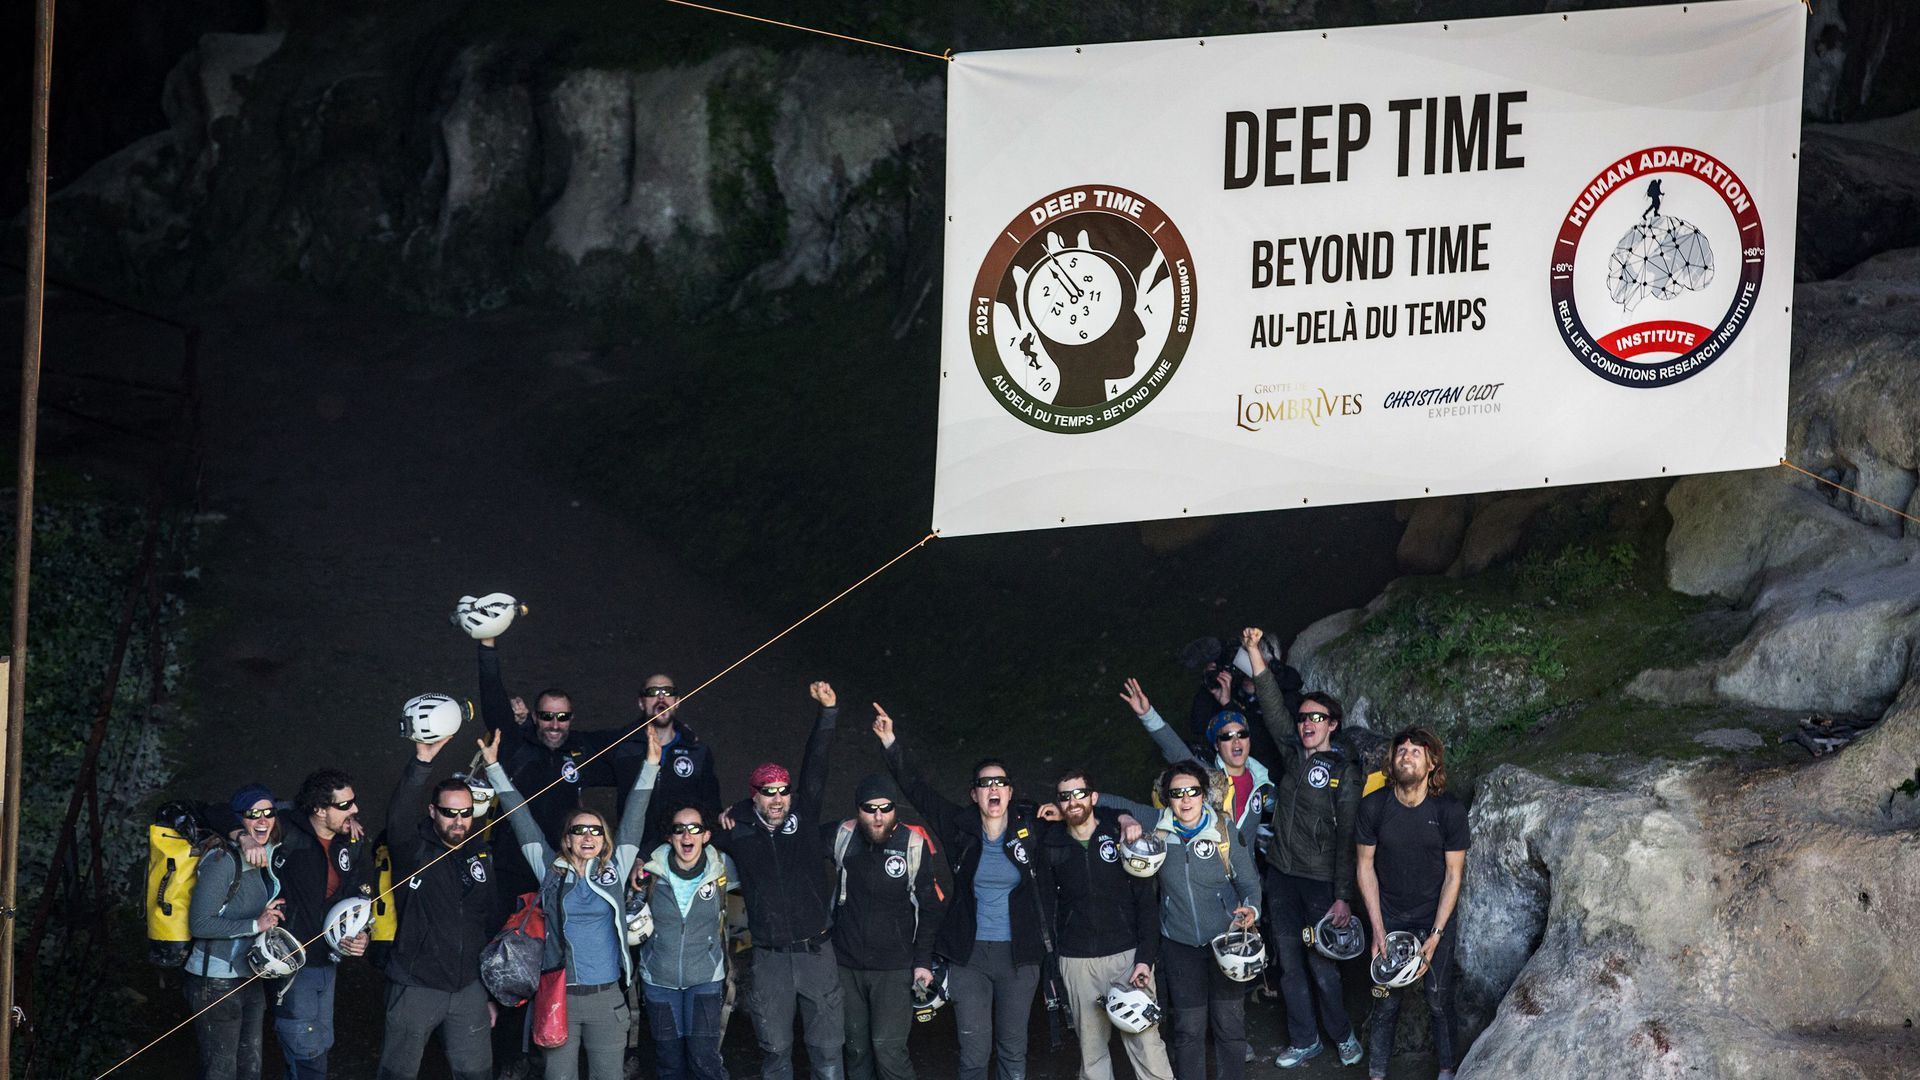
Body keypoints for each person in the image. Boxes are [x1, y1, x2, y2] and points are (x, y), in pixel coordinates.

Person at [875, 705, 1054, 1080]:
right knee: (974, 1052)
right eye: (985, 783)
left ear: (1010, 792)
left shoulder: (1032, 829)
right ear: (974, 794)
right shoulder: (959, 827)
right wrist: (891, 742)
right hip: (969, 956)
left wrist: (1122, 817)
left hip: (1019, 957)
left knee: (1013, 1050)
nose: (993, 789)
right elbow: (918, 791)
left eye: (1000, 783)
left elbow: (1081, 820)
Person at [480, 722, 658, 1080]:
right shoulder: (550, 870)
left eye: (596, 830)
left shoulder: (615, 870)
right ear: (568, 839)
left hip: (607, 997)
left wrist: (651, 763)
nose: (589, 836)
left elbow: (635, 818)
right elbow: (521, 818)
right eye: (580, 830)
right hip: (560, 994)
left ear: (604, 838)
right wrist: (494, 769)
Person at [1241, 628, 1365, 1068]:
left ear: (1332, 724)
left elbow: (1350, 838)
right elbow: (1273, 708)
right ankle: (1304, 1039)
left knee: (1322, 966)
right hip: (1281, 877)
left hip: (1318, 884)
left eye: (1316, 718)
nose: (1306, 723)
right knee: (1290, 965)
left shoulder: (1344, 773)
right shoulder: (1293, 755)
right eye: (1304, 718)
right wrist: (1255, 653)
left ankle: (1344, 1035)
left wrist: (1342, 897)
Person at [714, 681, 843, 1080]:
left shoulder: (803, 817)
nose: (777, 799)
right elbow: (691, 836)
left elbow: (816, 764)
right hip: (768, 958)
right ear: (754, 796)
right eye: (768, 792)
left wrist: (828, 714)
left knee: (826, 1057)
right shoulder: (738, 830)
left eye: (783, 791)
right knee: (775, 1055)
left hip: (817, 952)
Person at [1105, 763, 1260, 1080]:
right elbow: (1100, 800)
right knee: (1188, 1030)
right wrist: (1124, 818)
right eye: (1177, 793)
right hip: (1179, 945)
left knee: (1229, 1025)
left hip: (1225, 942)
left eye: (1193, 791)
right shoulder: (1156, 824)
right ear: (1167, 799)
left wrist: (1252, 910)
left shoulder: (1224, 831)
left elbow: (1249, 884)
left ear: (1204, 795)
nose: (1186, 799)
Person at [377, 734, 501, 1080]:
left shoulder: (480, 853)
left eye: (465, 813)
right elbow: (399, 814)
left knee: (477, 1074)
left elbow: (487, 921)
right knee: (397, 1073)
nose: (458, 821)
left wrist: (488, 992)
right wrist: (421, 762)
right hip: (417, 984)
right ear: (433, 811)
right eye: (449, 813)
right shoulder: (412, 848)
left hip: (469, 988)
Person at [1040, 769, 1173, 1080]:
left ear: (1093, 797)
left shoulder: (1120, 837)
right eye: (1065, 796)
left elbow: (1146, 906)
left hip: (1127, 958)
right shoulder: (1051, 844)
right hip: (1077, 961)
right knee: (1092, 1053)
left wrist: (1145, 959)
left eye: (1079, 793)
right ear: (1058, 804)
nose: (1073, 802)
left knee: (1148, 1045)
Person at [1355, 727, 1469, 1080]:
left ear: (1432, 763)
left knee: (1437, 998)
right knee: (1386, 1001)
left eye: (1416, 751)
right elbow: (1364, 867)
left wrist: (1435, 935)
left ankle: (1447, 1071)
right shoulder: (1374, 806)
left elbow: (1454, 875)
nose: (1406, 755)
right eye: (1401, 750)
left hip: (1434, 916)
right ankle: (1376, 1074)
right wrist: (1377, 928)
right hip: (1389, 915)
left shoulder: (1448, 810)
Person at [831, 773, 946, 1080]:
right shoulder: (843, 836)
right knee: (855, 1051)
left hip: (894, 968)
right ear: (858, 810)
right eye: (870, 808)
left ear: (896, 809)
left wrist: (922, 962)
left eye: (886, 808)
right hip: (847, 965)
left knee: (889, 1052)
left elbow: (930, 908)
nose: (878, 816)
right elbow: (793, 838)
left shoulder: (912, 844)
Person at [474, 633, 610, 876]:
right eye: (547, 716)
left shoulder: (581, 750)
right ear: (536, 717)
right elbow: (493, 700)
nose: (555, 725)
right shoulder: (516, 745)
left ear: (571, 719)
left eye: (562, 717)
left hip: (563, 864)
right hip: (511, 862)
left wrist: (675, 731)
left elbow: (627, 743)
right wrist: (487, 646)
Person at [269, 769, 374, 1080]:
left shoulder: (350, 842)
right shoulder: (288, 830)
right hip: (293, 962)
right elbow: (236, 813)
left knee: (321, 1044)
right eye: (344, 805)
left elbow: (360, 898)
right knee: (306, 1053)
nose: (355, 810)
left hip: (327, 963)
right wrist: (241, 834)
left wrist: (361, 936)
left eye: (353, 803)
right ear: (317, 808)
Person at [184, 784, 285, 1080]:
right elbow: (200, 924)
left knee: (250, 1066)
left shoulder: (266, 854)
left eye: (268, 813)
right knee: (222, 1069)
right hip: (214, 980)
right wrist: (256, 925)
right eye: (253, 814)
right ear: (237, 820)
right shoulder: (221, 861)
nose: (263, 820)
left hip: (249, 974)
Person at [635, 801, 739, 1080]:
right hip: (659, 982)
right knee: (669, 1064)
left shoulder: (723, 867)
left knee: (704, 1061)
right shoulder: (649, 872)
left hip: (705, 978)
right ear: (669, 836)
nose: (686, 835)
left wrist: (738, 814)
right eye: (679, 829)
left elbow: (758, 855)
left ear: (707, 835)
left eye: (695, 828)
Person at [613, 673, 722, 852]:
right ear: (641, 703)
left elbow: (712, 807)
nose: (661, 697)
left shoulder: (697, 750)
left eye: (667, 691)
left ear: (677, 701)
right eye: (653, 692)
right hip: (635, 854)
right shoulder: (622, 747)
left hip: (682, 853)